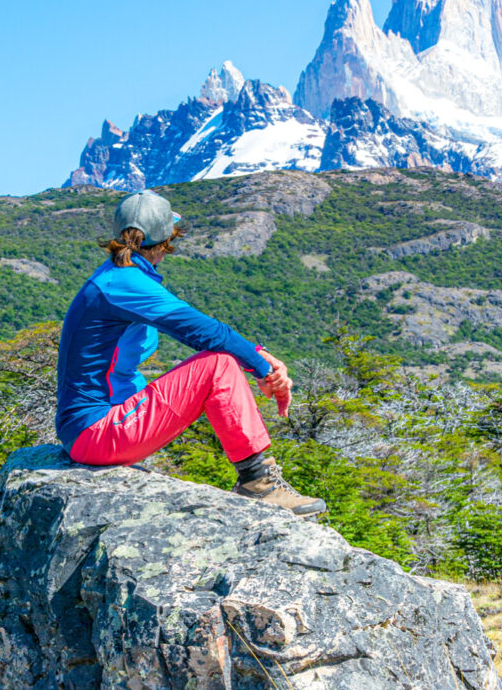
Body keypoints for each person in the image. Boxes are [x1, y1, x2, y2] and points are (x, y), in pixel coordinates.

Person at [54, 189, 326, 517]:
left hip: (90, 430)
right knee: (218, 365)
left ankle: (257, 480)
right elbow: (207, 333)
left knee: (216, 362)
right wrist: (263, 368)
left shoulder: (115, 277)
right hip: (97, 433)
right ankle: (257, 482)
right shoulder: (124, 283)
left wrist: (257, 355)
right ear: (166, 240)